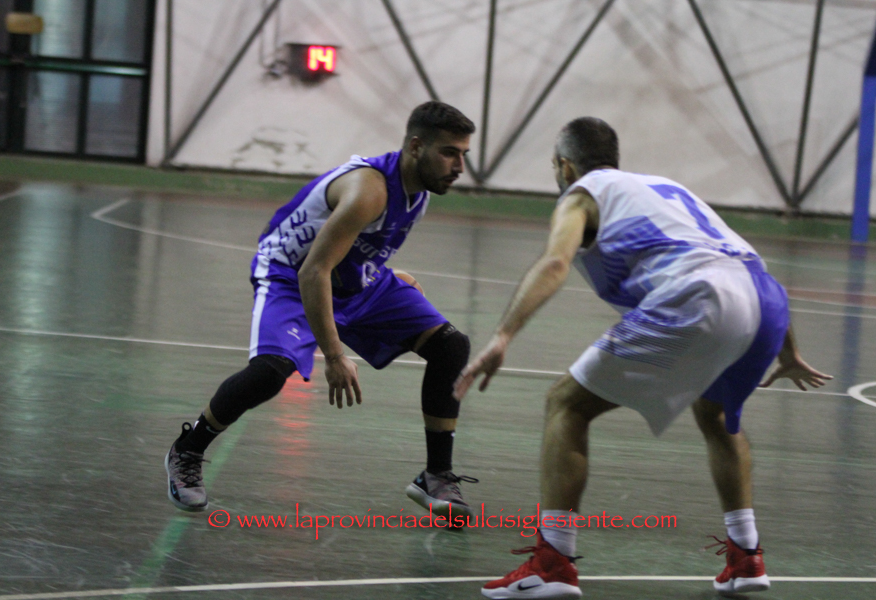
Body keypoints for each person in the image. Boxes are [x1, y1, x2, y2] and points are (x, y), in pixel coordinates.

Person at [454, 117, 832, 599]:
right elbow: (743, 258)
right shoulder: (665, 188)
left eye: (556, 166)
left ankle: (552, 564)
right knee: (715, 415)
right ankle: (746, 558)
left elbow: (555, 261)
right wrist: (788, 349)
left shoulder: (581, 195)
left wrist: (503, 334)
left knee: (566, 405)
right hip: (766, 301)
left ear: (565, 166)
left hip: (698, 297)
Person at [165, 101, 479, 519]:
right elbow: (313, 270)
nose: (460, 166)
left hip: (351, 278)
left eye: (464, 154)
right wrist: (333, 355)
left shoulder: (418, 192)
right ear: (416, 146)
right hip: (292, 274)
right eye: (450, 153)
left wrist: (382, 272)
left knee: (451, 346)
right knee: (270, 371)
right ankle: (188, 450)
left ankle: (436, 476)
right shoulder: (369, 190)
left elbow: (357, 244)